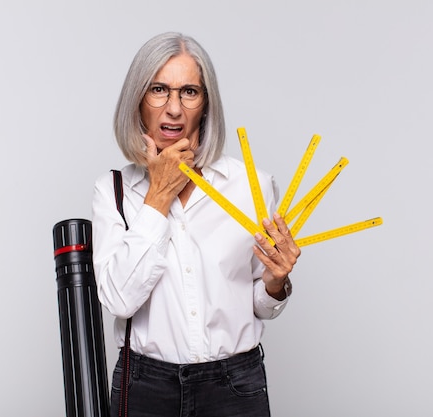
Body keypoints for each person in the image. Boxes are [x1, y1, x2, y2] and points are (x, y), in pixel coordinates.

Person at [92, 32, 301, 417]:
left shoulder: (250, 186)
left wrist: (275, 284)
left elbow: (258, 303)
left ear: (206, 105)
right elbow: (118, 300)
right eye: (159, 89)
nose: (174, 108)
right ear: (138, 102)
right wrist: (158, 196)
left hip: (235, 386)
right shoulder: (114, 192)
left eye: (189, 92)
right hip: (145, 388)